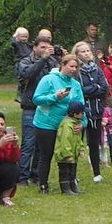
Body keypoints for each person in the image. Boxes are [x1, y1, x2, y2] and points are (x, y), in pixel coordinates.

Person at [32, 52, 82, 193]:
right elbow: (36, 99)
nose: (73, 69)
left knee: (68, 153)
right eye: (71, 66)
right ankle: (43, 185)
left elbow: (81, 104)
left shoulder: (75, 84)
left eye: (76, 67)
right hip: (46, 123)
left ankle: (68, 185)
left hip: (67, 125)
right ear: (63, 65)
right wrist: (55, 97)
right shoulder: (48, 79)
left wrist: (82, 123)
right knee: (46, 155)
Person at [14, 36, 57, 184]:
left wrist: (59, 58)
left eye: (47, 47)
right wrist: (43, 59)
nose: (45, 50)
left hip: (46, 107)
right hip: (30, 107)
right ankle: (22, 177)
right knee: (28, 144)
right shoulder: (25, 61)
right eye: (42, 47)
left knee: (41, 145)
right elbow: (27, 74)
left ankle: (36, 175)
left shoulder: (52, 62)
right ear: (34, 47)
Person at [73, 41, 111, 183]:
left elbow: (104, 87)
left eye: (88, 50)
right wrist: (95, 88)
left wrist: (92, 89)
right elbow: (79, 90)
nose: (86, 53)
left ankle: (97, 173)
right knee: (76, 144)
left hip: (96, 111)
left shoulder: (97, 69)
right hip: (81, 112)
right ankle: (72, 175)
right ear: (77, 54)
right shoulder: (75, 71)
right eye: (83, 51)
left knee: (94, 143)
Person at [53, 102, 87, 195]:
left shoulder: (76, 124)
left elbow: (78, 138)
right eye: (82, 113)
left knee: (72, 171)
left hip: (73, 154)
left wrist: (80, 149)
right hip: (64, 155)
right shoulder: (67, 125)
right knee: (65, 172)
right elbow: (65, 140)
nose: (83, 115)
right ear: (75, 114)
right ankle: (65, 189)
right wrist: (68, 155)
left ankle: (73, 187)